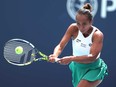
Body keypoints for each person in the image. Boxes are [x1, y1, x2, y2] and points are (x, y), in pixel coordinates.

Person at [49, 3, 108, 87]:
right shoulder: (73, 28)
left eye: (84, 24)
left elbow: (92, 57)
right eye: (78, 23)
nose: (81, 27)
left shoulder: (97, 35)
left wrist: (71, 58)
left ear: (91, 22)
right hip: (77, 67)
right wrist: (55, 55)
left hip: (94, 68)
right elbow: (60, 46)